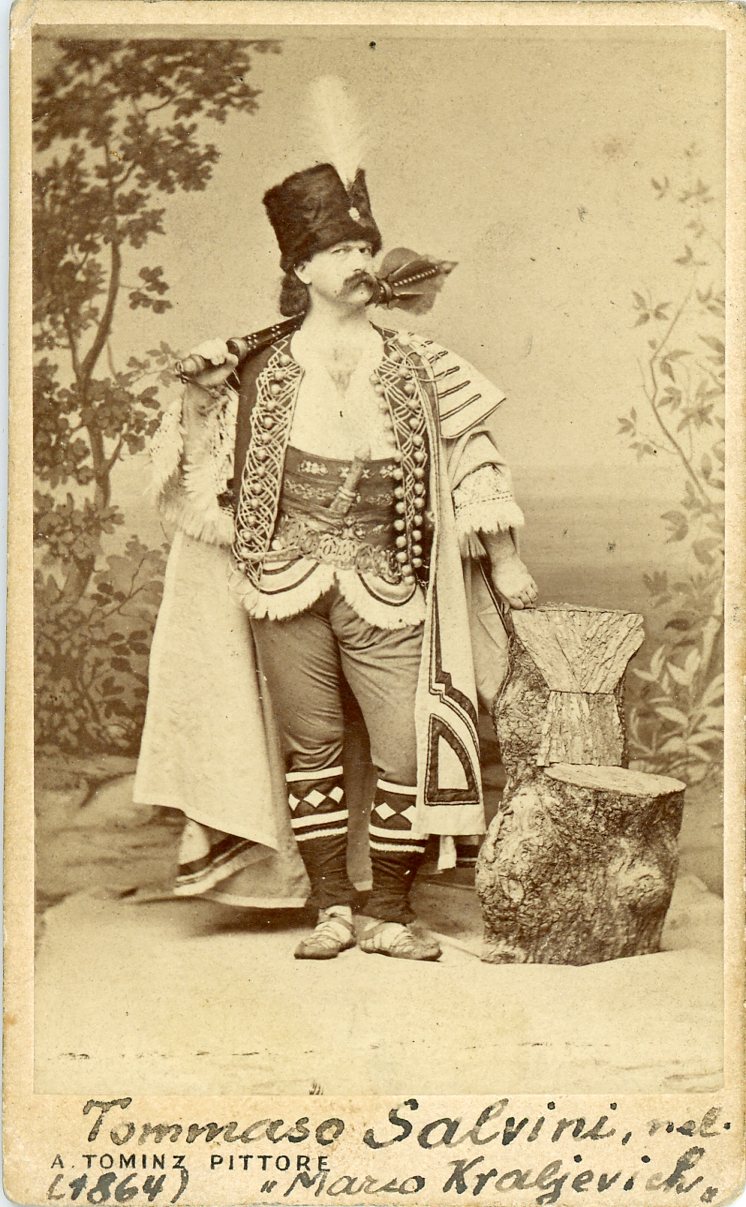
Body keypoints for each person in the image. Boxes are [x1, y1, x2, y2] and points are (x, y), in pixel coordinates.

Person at [134, 155, 537, 962]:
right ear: (302, 270)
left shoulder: (420, 361)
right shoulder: (255, 365)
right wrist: (198, 393)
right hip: (281, 580)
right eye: (342, 252)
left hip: (388, 578)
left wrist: (504, 559)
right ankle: (332, 908)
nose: (360, 263)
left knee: (406, 746)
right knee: (311, 748)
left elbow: (473, 455)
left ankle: (388, 908)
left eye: (365, 249)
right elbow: (199, 472)